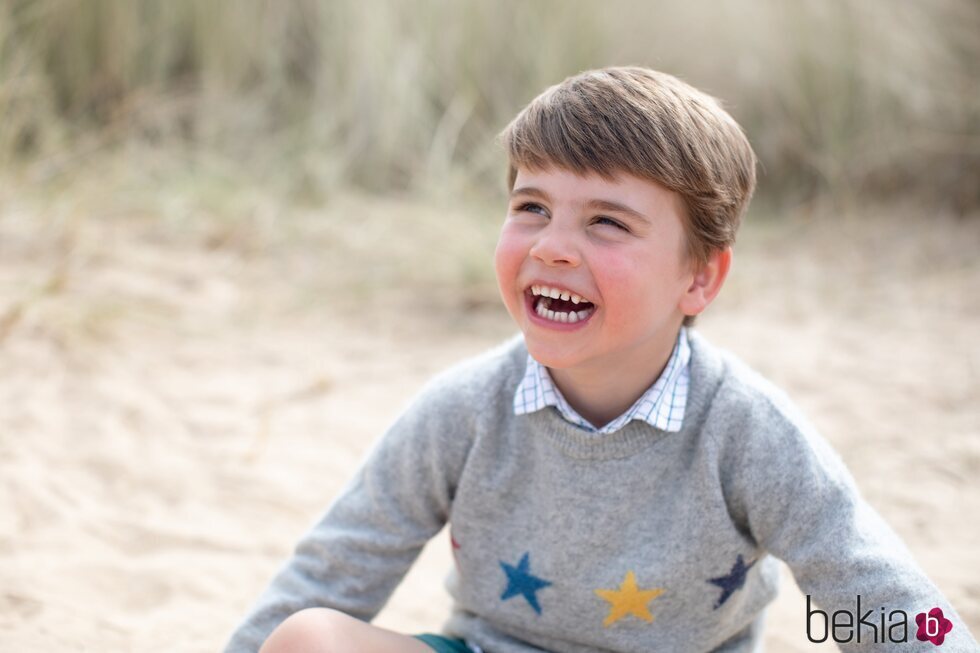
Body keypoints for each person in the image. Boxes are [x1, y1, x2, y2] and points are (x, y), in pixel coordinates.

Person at [224, 67, 976, 652]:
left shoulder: (747, 430)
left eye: (607, 222)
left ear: (699, 277)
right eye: (531, 207)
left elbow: (878, 592)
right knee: (306, 638)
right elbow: (333, 567)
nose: (552, 243)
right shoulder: (463, 408)